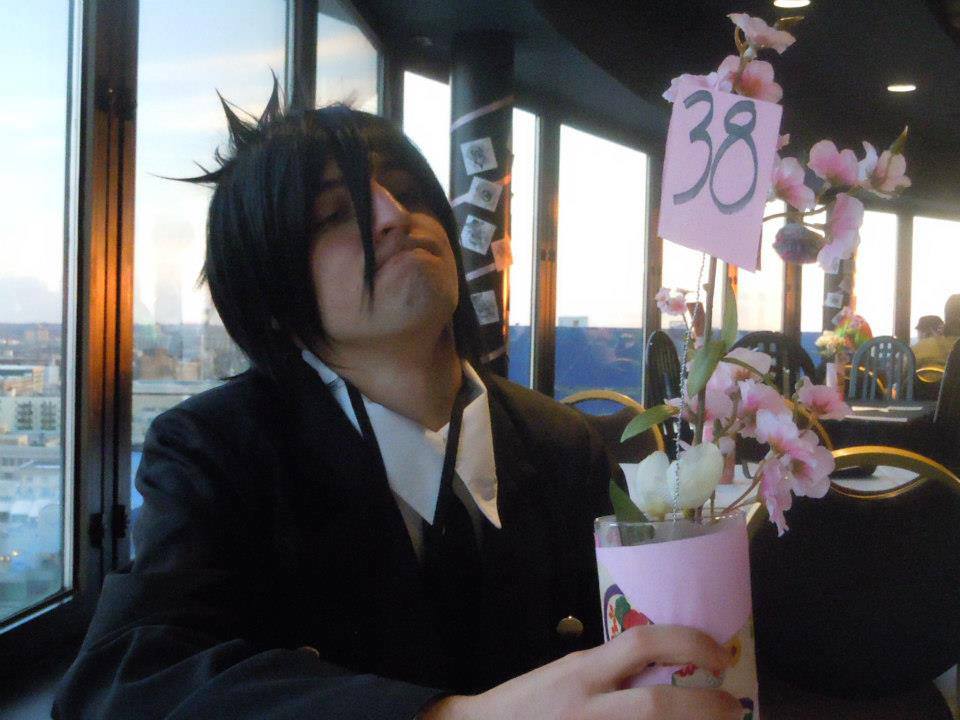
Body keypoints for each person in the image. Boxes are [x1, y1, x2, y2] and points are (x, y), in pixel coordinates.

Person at [54, 86, 742, 720]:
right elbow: (124, 682)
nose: (393, 217)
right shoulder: (219, 449)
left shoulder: (560, 443)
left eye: (408, 192)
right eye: (334, 214)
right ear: (269, 295)